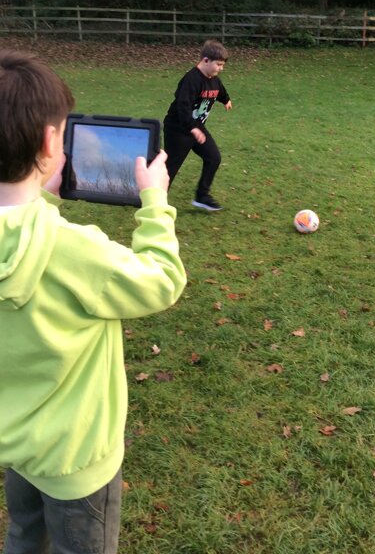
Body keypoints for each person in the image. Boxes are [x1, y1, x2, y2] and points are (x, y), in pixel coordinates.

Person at [0, 50, 187, 554]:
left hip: (15, 445)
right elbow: (162, 280)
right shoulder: (75, 250)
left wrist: (45, 196)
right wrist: (155, 203)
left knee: (23, 536)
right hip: (76, 461)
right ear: (50, 143)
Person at [163, 40, 232, 211]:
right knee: (170, 167)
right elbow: (183, 106)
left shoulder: (214, 79)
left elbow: (219, 91)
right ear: (205, 60)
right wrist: (192, 127)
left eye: (223, 65)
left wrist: (226, 100)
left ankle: (202, 196)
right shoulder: (191, 80)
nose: (221, 68)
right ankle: (154, 199)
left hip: (197, 128)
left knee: (213, 158)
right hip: (178, 129)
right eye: (219, 64)